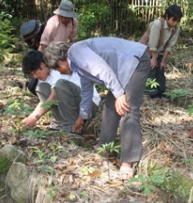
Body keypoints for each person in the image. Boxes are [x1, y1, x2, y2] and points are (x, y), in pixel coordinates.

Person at [43, 39, 150, 180]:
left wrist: (119, 95)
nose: (61, 73)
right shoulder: (77, 65)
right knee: (110, 106)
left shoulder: (76, 52)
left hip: (136, 61)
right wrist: (82, 117)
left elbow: (102, 69)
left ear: (61, 62)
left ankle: (128, 163)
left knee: (127, 109)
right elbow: (86, 92)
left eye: (58, 69)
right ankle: (105, 146)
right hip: (123, 67)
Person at [146, 4, 183, 99]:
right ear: (167, 17)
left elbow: (169, 46)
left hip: (159, 53)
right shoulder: (157, 24)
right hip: (146, 50)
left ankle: (161, 91)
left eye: (177, 20)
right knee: (152, 68)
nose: (175, 23)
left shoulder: (176, 29)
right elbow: (152, 44)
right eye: (173, 20)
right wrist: (153, 58)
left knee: (161, 69)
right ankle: (152, 93)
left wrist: (163, 60)